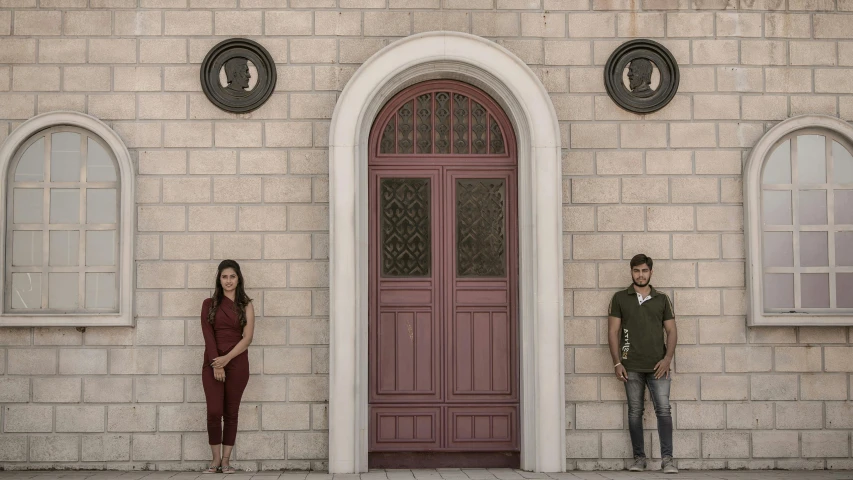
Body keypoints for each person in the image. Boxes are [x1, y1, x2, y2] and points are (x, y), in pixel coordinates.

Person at [607, 254, 678, 474]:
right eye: (636, 271)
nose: (640, 275)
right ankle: (639, 459)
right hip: (631, 365)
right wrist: (617, 362)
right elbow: (613, 331)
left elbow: (672, 331)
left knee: (664, 411)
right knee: (634, 412)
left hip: (659, 366)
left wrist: (667, 359)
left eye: (644, 271)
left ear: (651, 272)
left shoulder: (662, 299)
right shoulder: (620, 298)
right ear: (631, 272)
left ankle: (668, 460)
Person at [201, 259, 255, 474]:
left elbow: (248, 338)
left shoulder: (246, 304)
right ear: (219, 279)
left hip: (238, 362)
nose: (229, 280)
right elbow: (207, 335)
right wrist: (217, 362)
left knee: (231, 412)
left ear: (238, 278)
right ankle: (214, 460)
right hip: (212, 362)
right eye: (224, 276)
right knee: (214, 411)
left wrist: (227, 359)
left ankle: (225, 461)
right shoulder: (209, 303)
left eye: (232, 276)